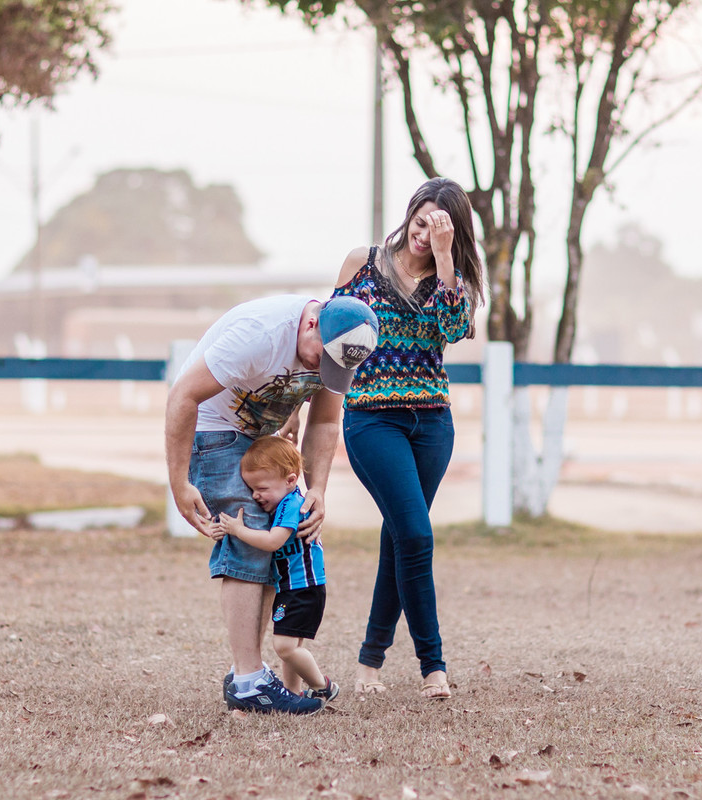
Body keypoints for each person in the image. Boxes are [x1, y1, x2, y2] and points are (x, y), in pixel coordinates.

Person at [165, 293, 378, 714]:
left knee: (272, 547)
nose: (322, 370)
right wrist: (178, 482)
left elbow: (324, 419)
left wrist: (317, 490)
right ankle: (248, 681)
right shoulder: (259, 335)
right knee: (247, 540)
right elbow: (183, 396)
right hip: (214, 429)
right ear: (312, 323)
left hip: (262, 439)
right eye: (322, 358)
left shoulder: (339, 349)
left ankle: (248, 672)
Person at [331, 177, 484, 700]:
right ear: (409, 213)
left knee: (401, 536)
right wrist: (308, 411)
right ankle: (433, 668)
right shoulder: (361, 262)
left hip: (432, 422)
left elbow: (453, 328)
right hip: (372, 418)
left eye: (438, 228)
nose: (424, 234)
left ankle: (369, 664)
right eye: (421, 222)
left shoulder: (453, 278)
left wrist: (445, 259)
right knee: (416, 537)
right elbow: (332, 341)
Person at [211, 435, 339, 706]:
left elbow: (272, 541)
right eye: (251, 488)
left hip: (304, 588)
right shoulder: (280, 503)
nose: (256, 495)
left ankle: (322, 685)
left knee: (285, 646)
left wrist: (237, 529)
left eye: (261, 488)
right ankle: (294, 694)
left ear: (291, 480)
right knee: (291, 646)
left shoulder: (292, 505)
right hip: (289, 588)